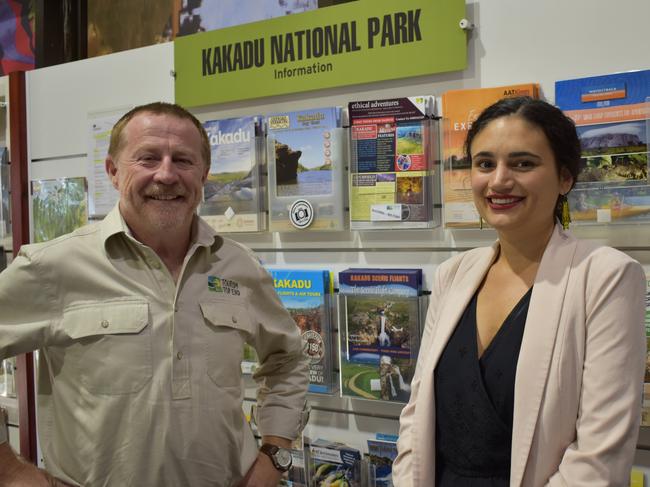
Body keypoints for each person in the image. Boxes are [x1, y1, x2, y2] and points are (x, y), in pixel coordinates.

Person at [0, 102, 309, 487]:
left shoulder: (240, 267)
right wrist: (11, 472)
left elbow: (288, 360)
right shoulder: (53, 266)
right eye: (147, 158)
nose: (166, 174)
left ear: (204, 174)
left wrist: (274, 454)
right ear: (113, 171)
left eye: (183, 160)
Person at [393, 97, 646, 486]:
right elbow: (416, 415)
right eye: (485, 164)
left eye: (523, 163)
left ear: (565, 178)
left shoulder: (606, 278)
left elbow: (599, 459)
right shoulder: (453, 275)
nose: (498, 181)